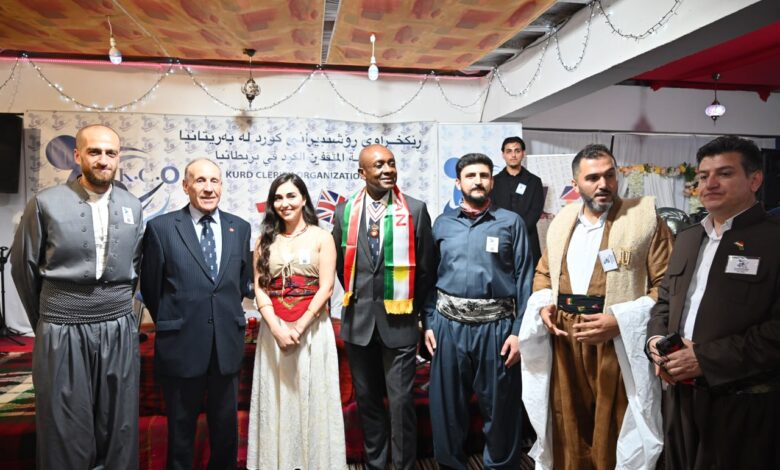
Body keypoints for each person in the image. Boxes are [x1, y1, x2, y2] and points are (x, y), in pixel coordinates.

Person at [520, 144, 673, 470]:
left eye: (609, 175)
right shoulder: (562, 221)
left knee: (615, 425)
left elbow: (667, 286)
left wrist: (619, 321)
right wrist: (544, 305)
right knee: (567, 425)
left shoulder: (644, 218)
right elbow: (545, 273)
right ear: (575, 184)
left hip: (615, 342)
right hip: (565, 340)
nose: (603, 184)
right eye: (592, 178)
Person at [11, 124, 143, 470]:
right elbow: (23, 268)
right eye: (94, 152)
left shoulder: (132, 206)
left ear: (118, 158)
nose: (103, 160)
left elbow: (135, 267)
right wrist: (49, 320)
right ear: (77, 155)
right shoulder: (45, 203)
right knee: (65, 426)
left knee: (119, 425)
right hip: (62, 330)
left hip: (118, 329)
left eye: (111, 153)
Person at [647, 136, 780, 469]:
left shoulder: (774, 239)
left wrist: (705, 359)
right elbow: (664, 301)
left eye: (724, 173)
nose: (710, 183)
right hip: (679, 398)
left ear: (755, 180)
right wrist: (655, 342)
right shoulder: (688, 237)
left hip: (743, 405)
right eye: (704, 176)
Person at [140, 158, 253, 470]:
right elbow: (151, 287)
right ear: (185, 186)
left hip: (226, 345)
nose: (208, 188)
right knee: (181, 431)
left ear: (222, 186)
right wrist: (174, 321)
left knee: (225, 430)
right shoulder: (161, 228)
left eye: (214, 181)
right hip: (181, 344)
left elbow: (240, 282)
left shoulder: (239, 228)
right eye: (200, 180)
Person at [424, 153, 533, 469]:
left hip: (497, 329)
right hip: (448, 327)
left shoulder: (510, 223)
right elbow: (429, 278)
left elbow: (526, 280)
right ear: (458, 183)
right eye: (470, 176)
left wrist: (518, 332)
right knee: (447, 409)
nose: (478, 181)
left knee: (500, 411)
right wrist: (429, 322)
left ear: (492, 181)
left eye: (484, 175)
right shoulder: (442, 224)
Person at [332, 144, 435, 470]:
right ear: (362, 173)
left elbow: (426, 270)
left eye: (391, 163)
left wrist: (411, 309)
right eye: (378, 165)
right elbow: (342, 268)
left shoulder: (415, 210)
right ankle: (376, 465)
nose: (388, 169)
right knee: (369, 403)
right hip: (359, 324)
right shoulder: (344, 212)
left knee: (402, 404)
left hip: (400, 323)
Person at [246, 173, 346, 469]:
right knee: (277, 398)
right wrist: (276, 328)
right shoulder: (264, 240)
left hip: (312, 331)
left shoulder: (321, 237)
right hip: (274, 331)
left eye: (291, 196)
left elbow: (327, 287)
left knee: (314, 398)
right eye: (278, 197)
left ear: (303, 199)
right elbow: (260, 288)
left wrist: (299, 326)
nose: (285, 203)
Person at [491, 136, 545, 266]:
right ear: (503, 154)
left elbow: (536, 210)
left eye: (517, 151)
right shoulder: (493, 181)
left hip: (527, 236)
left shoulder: (534, 181)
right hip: (500, 236)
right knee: (499, 272)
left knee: (529, 273)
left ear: (523, 153)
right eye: (509, 151)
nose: (513, 155)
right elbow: (491, 209)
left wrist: (518, 231)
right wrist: (505, 231)